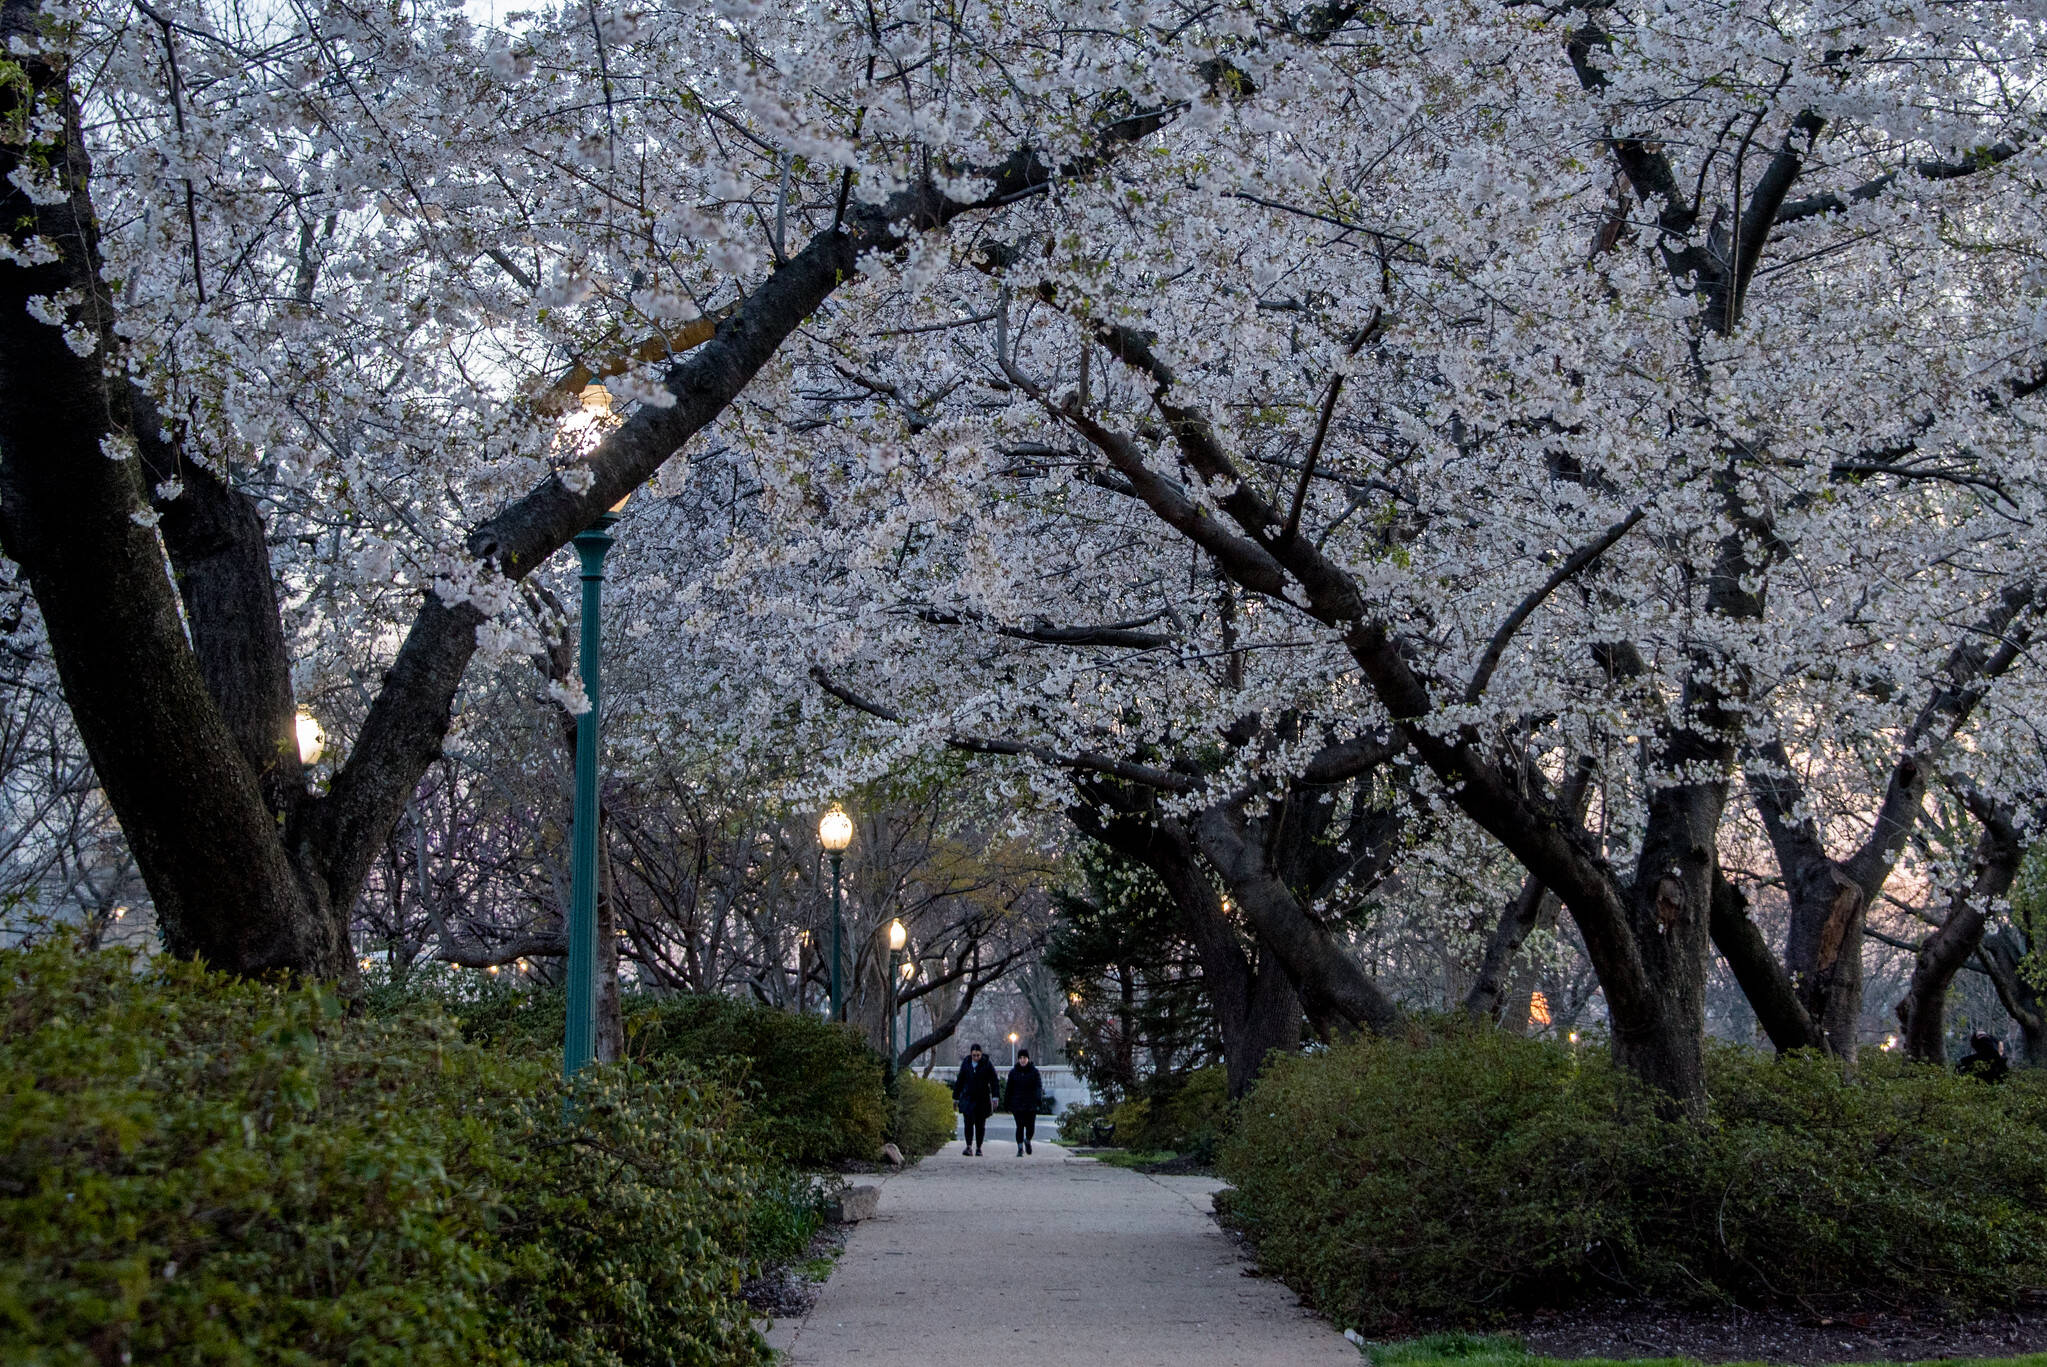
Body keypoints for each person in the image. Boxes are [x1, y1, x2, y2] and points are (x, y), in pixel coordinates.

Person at [953, 1043, 1001, 1155]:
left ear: (981, 1054)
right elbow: (959, 1081)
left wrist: (995, 1097)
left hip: (982, 1099)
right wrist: (955, 1098)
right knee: (968, 1123)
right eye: (974, 1055)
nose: (976, 1058)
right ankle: (969, 1146)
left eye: (978, 1055)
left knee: (980, 1125)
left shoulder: (987, 1064)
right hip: (968, 1098)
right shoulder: (966, 1064)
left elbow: (994, 1081)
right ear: (971, 1054)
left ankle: (979, 1147)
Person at [1003, 1048, 1043, 1156]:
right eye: (1020, 1058)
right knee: (1019, 1126)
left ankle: (1028, 1140)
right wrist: (1007, 1103)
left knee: (1030, 1127)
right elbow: (1009, 1089)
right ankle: (1020, 1148)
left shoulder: (1034, 1072)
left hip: (1030, 1104)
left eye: (1024, 1058)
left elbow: (1038, 1086)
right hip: (1018, 1104)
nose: (1022, 1060)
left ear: (1028, 1059)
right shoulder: (1013, 1072)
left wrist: (1038, 1099)